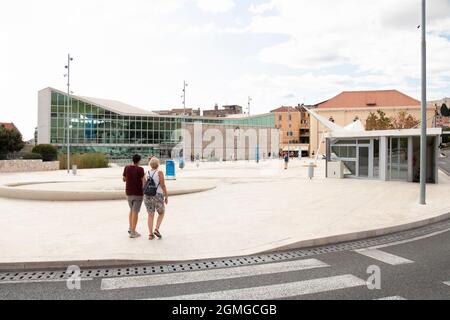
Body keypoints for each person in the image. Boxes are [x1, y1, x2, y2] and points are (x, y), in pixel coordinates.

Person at [144, 157, 169, 240]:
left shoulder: (146, 173)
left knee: (150, 215)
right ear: (158, 164)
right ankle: (157, 229)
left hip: (147, 195)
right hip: (157, 195)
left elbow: (144, 185)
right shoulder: (159, 172)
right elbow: (163, 185)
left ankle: (150, 235)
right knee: (161, 213)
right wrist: (166, 196)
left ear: (150, 164)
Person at [123, 154, 145, 239]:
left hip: (128, 193)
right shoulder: (140, 169)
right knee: (135, 212)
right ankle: (133, 232)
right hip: (138, 193)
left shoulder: (126, 168)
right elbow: (143, 182)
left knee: (131, 210)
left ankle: (130, 227)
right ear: (139, 161)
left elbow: (124, 179)